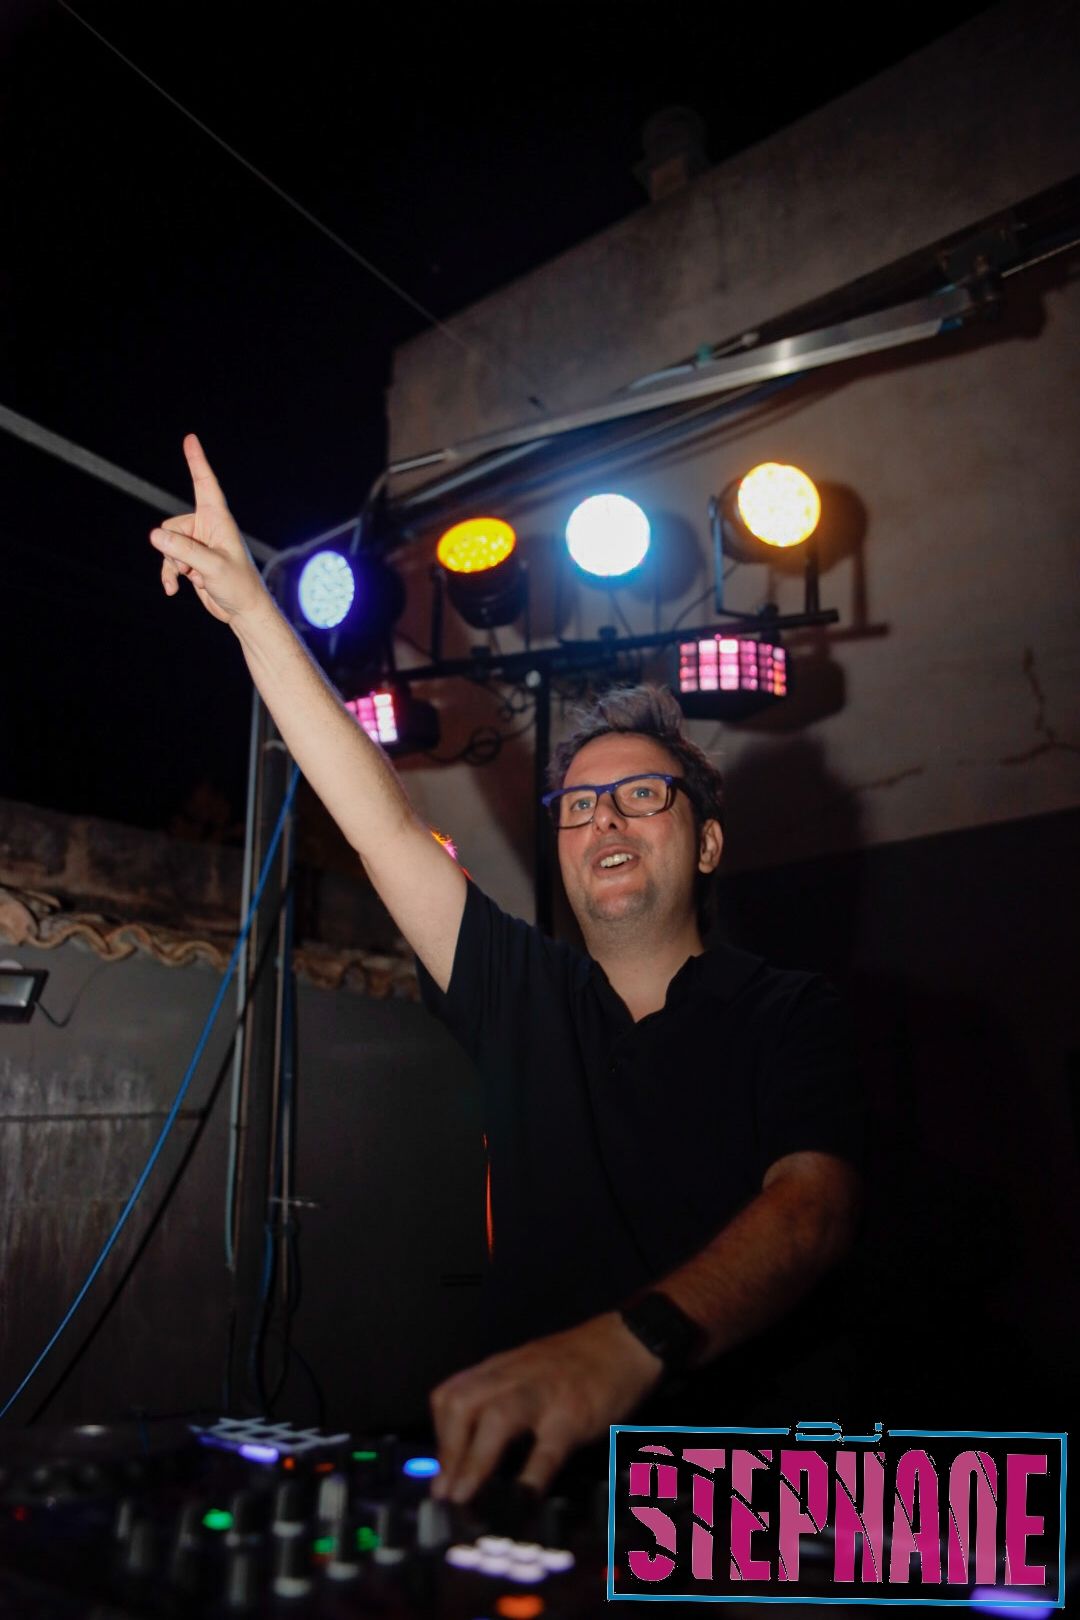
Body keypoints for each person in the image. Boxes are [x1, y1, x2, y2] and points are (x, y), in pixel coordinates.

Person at [151, 434, 862, 1506]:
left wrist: (624, 1348)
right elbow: (381, 823)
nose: (604, 817)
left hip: (731, 1499)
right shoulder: (518, 988)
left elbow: (809, 1212)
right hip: (534, 1485)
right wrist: (255, 610)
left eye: (641, 796)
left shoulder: (791, 1012)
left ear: (707, 844)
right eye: (577, 804)